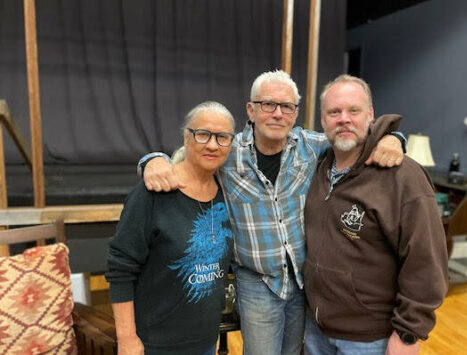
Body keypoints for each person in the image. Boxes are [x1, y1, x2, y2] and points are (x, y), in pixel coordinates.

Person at [138, 70, 406, 355]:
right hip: (257, 282)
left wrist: (394, 138)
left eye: (286, 106)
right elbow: (187, 154)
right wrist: (153, 160)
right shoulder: (228, 151)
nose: (277, 113)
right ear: (251, 110)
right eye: (268, 104)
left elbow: (353, 135)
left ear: (295, 113)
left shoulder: (312, 146)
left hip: (303, 280)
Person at [303, 75, 448, 355]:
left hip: (370, 340)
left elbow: (426, 261)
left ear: (370, 115)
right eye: (334, 112)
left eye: (353, 111)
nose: (344, 119)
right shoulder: (318, 167)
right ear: (323, 120)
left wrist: (408, 333)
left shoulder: (402, 176)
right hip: (316, 330)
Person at [106, 101, 236, 355]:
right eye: (202, 134)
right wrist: (126, 338)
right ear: (186, 138)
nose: (212, 144)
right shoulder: (152, 194)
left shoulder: (226, 193)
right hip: (156, 344)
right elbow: (120, 270)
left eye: (222, 137)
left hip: (206, 341)